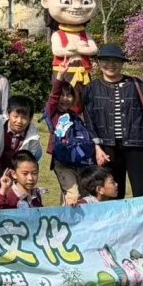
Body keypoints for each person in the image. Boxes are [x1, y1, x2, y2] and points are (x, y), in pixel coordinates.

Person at [80, 44, 143, 197]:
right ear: (99, 62)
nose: (111, 65)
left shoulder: (136, 84)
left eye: (116, 61)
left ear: (122, 63)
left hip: (138, 145)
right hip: (107, 148)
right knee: (111, 193)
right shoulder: (92, 88)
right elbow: (89, 120)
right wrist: (97, 146)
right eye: (106, 60)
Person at [44, 62, 86, 196]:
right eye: (62, 95)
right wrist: (60, 76)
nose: (65, 99)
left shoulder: (75, 116)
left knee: (78, 194)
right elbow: (53, 96)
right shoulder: (53, 113)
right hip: (61, 160)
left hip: (78, 160)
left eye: (69, 95)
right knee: (73, 193)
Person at [0, 96, 42, 162]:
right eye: (15, 116)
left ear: (30, 119)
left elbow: (27, 161)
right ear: (8, 114)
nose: (19, 121)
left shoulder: (33, 138)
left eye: (24, 118)